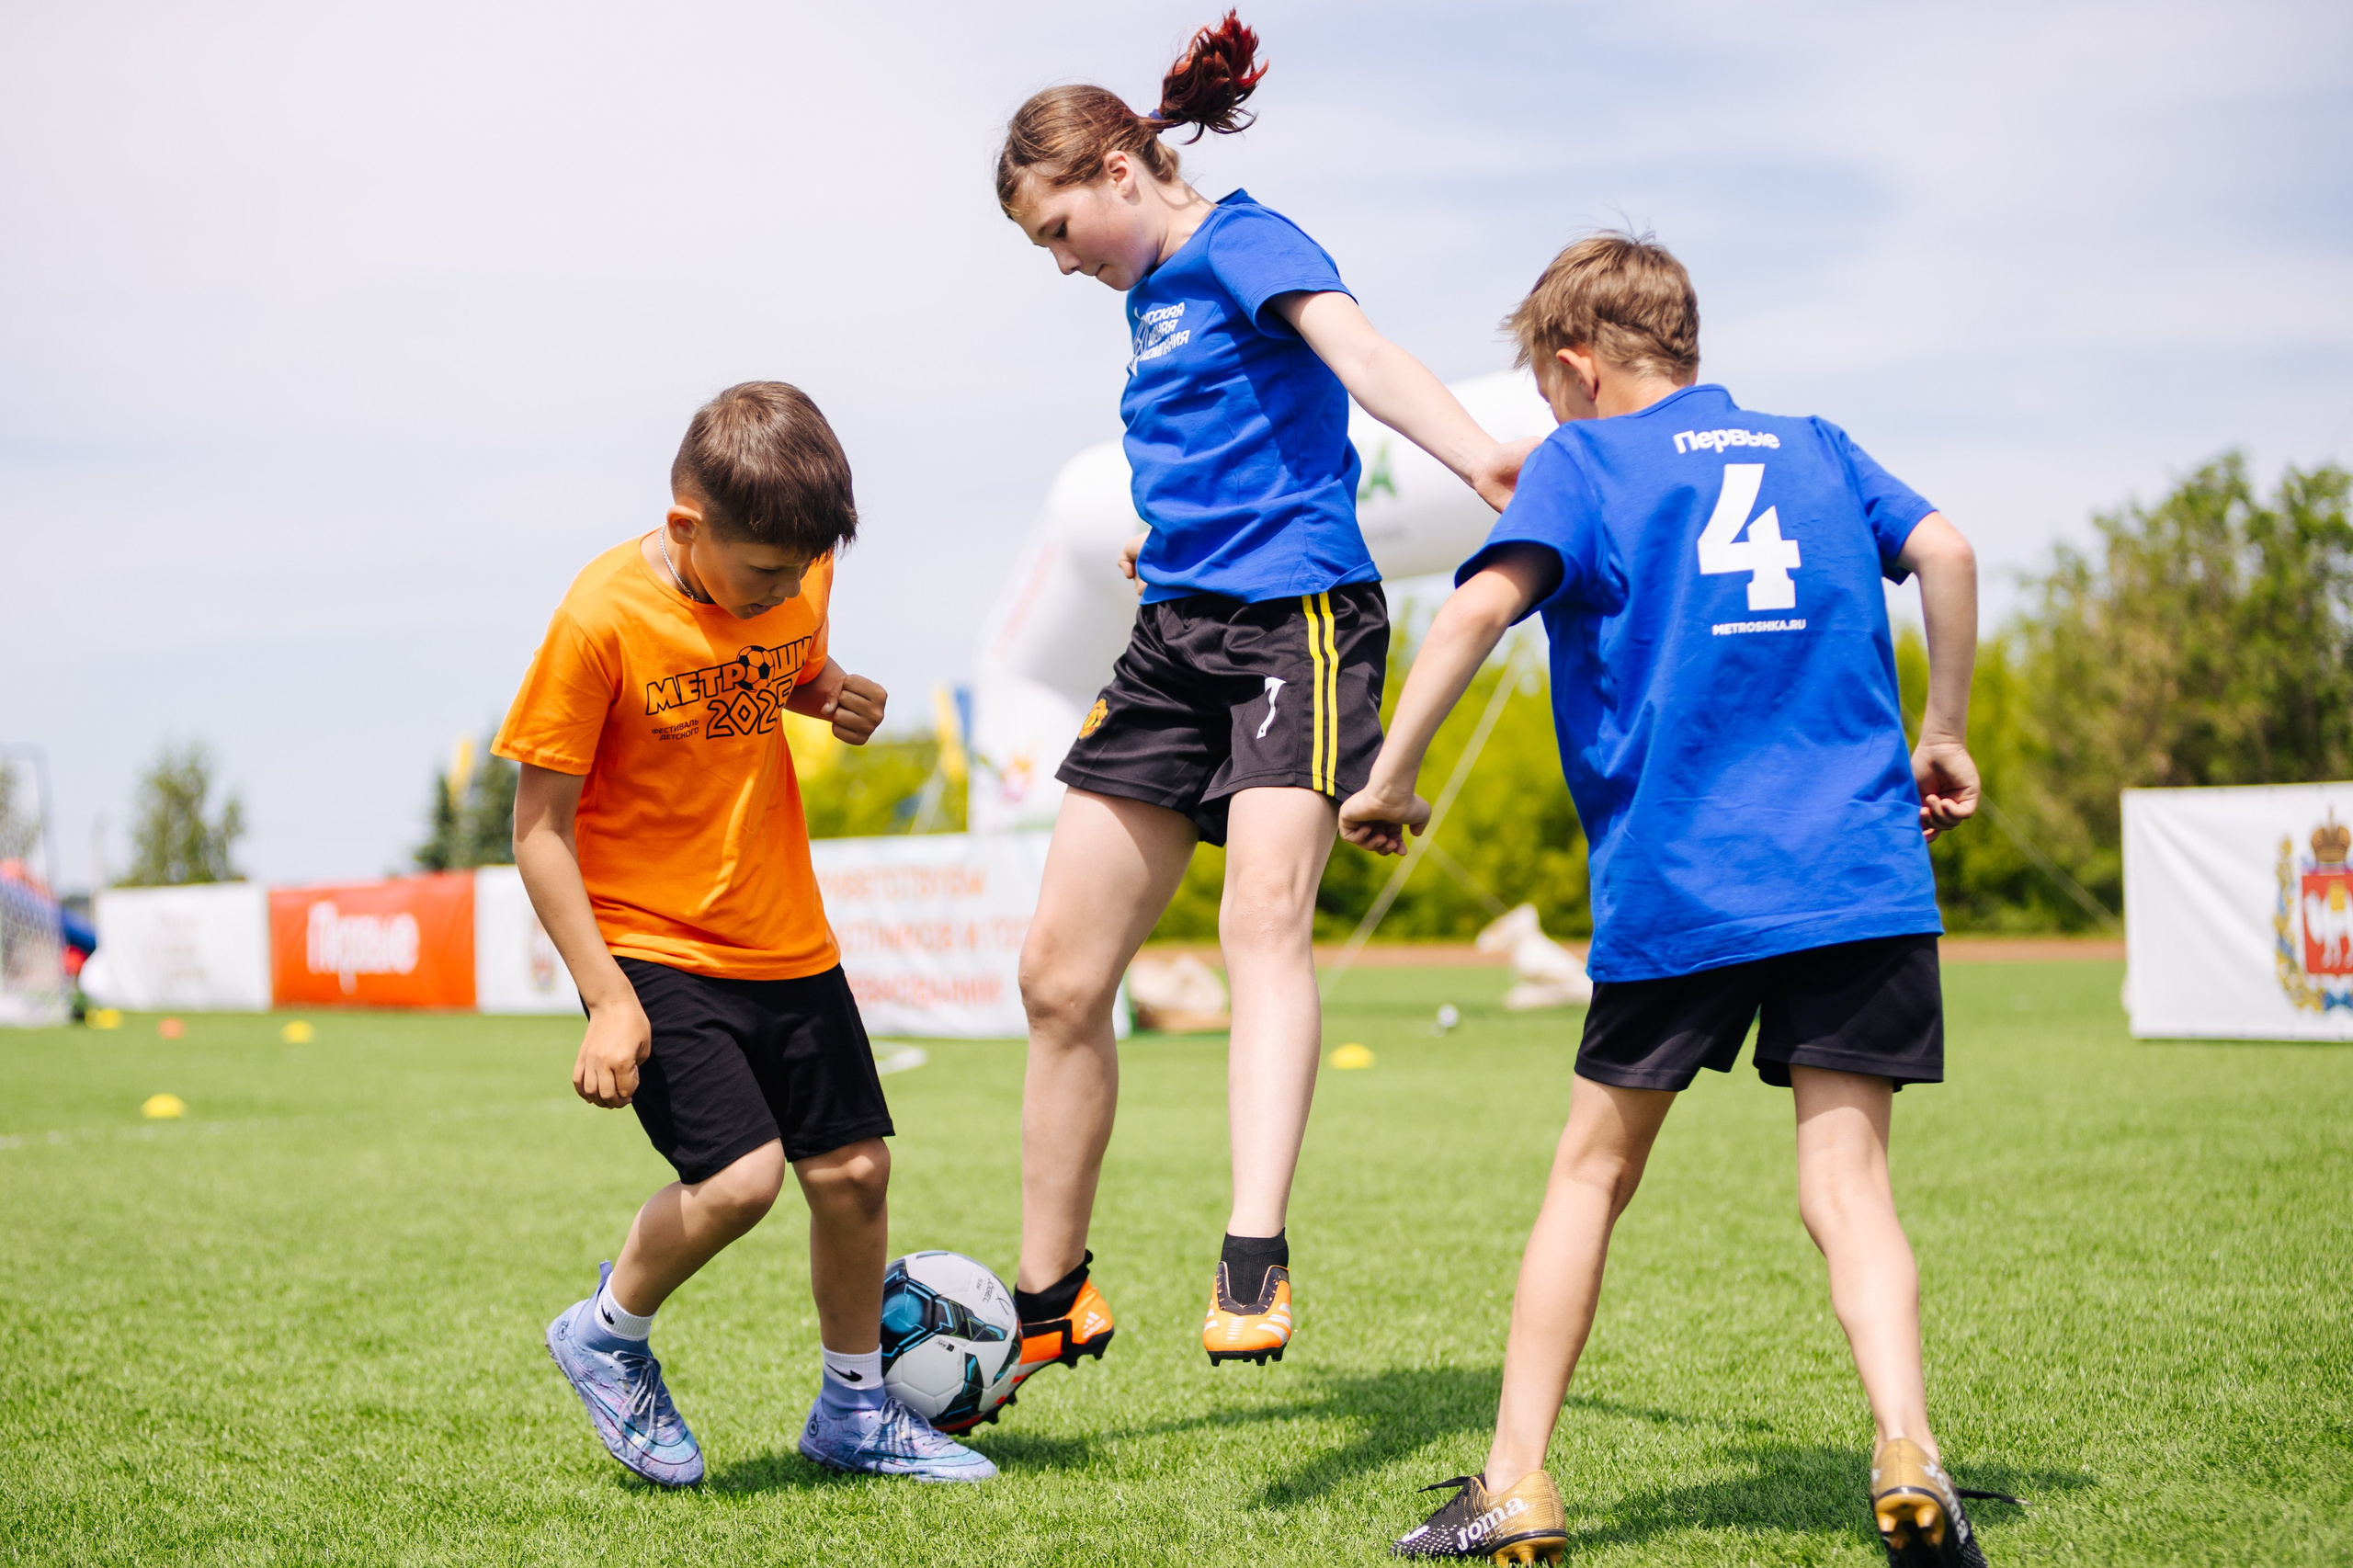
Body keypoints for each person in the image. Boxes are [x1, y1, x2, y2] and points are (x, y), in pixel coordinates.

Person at [1341, 234, 2006, 1566]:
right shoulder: (1818, 444)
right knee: (1850, 1182)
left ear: (1576, 365)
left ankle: (1518, 1481)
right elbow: (1948, 549)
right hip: (1858, 875)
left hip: (1681, 883)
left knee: (1592, 1173)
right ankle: (1906, 1447)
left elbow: (1475, 611)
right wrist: (1943, 730)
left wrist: (1391, 776)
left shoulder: (1587, 464)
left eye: (1544, 388)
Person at [990, 10, 1531, 1392]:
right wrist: (1165, 538)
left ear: (1119, 168)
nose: (1058, 266)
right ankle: (1048, 1293)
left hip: (1295, 622)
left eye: (1059, 231)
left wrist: (1481, 462)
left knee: (1259, 927)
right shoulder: (1143, 295)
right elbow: (1208, 442)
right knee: (1057, 975)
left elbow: (1365, 361)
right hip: (1169, 635)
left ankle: (1252, 1252)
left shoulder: (1248, 239)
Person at [500, 382, 994, 1486]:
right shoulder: (598, 618)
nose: (786, 588)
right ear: (686, 526)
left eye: (800, 572)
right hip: (649, 939)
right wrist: (607, 995)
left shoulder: (798, 563)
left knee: (856, 1172)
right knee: (737, 1181)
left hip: (784, 930)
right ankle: (605, 1332)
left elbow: (782, 671)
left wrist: (833, 697)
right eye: (764, 571)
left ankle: (855, 1412)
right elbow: (536, 829)